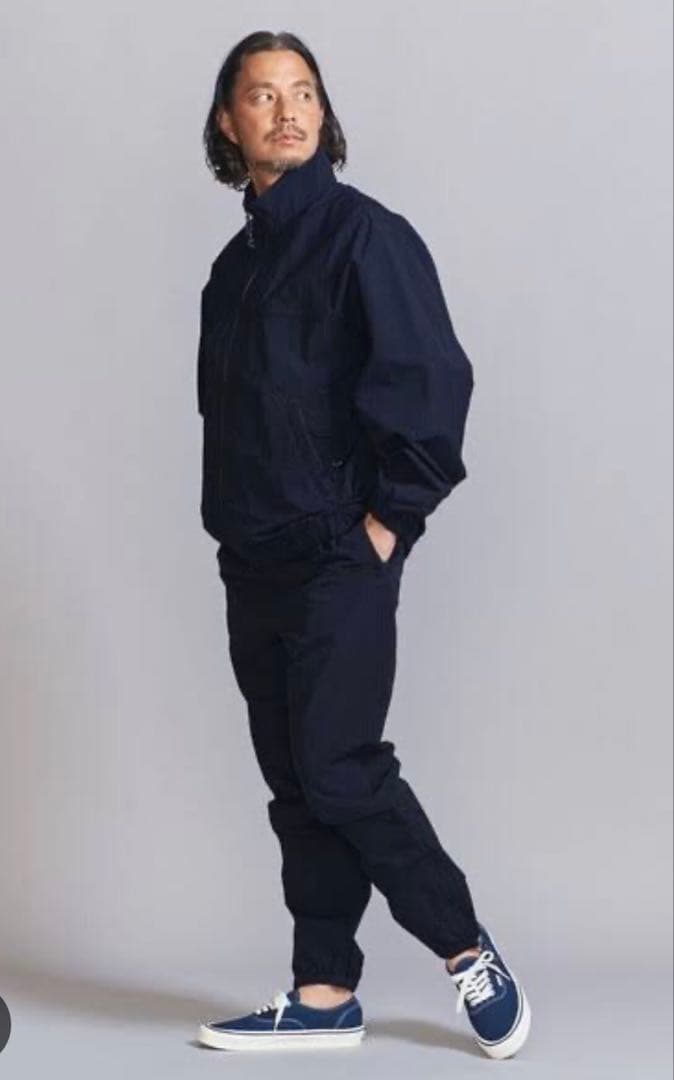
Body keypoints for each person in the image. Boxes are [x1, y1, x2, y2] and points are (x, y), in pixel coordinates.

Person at [194, 29, 531, 1058]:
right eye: (263, 95)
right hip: (253, 560)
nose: (287, 110)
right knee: (295, 785)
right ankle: (324, 992)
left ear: (324, 113)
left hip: (340, 555)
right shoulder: (230, 273)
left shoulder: (366, 237)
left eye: (303, 92)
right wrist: (231, 533)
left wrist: (391, 520)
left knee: (341, 769)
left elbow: (432, 380)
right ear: (229, 123)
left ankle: (464, 947)